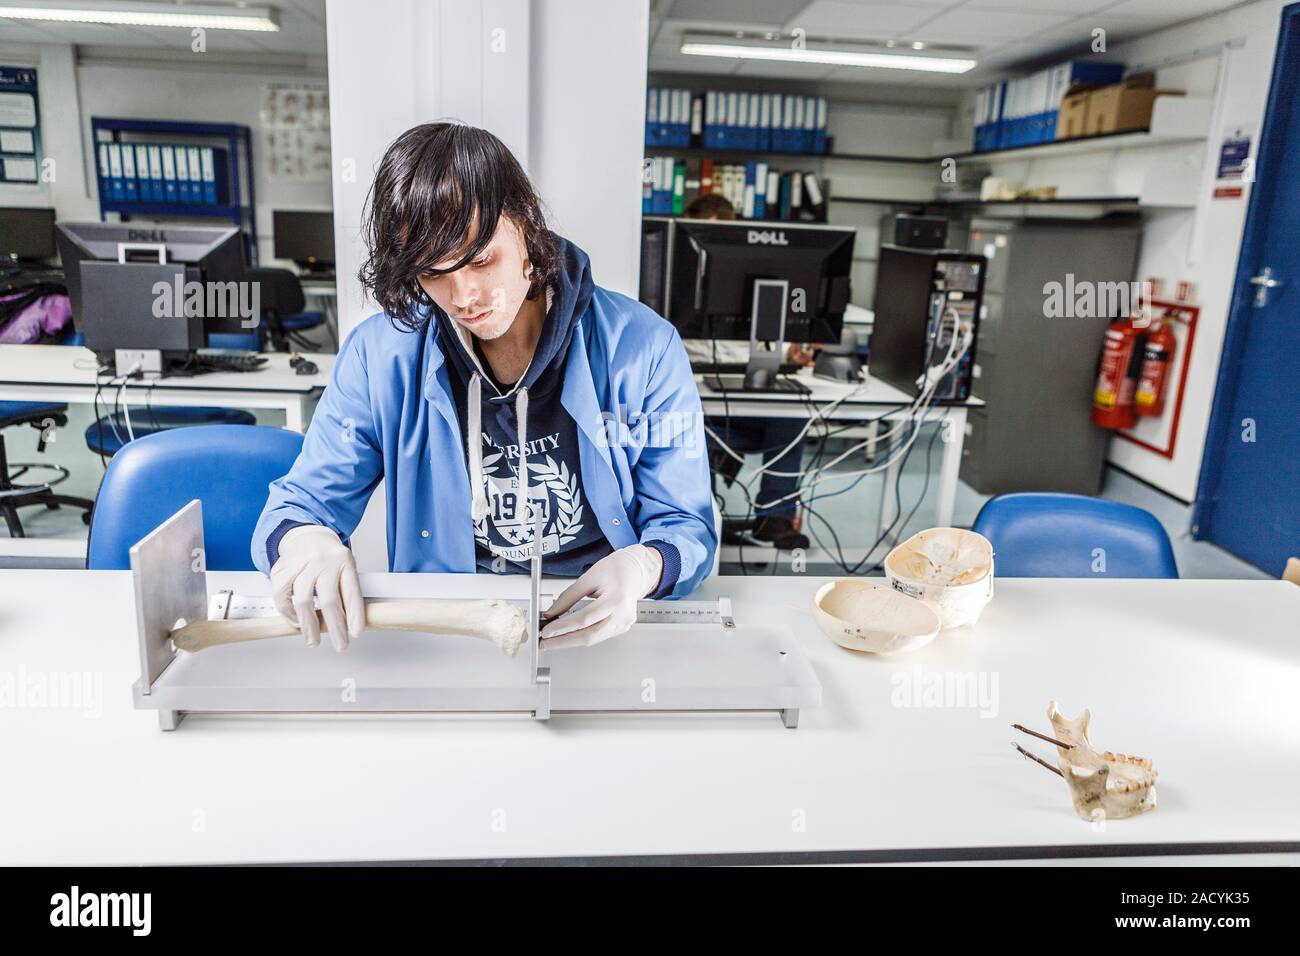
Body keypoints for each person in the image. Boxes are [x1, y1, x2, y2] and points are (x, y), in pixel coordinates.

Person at [251, 123, 716, 652]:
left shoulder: (644, 348)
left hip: (597, 620)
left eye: (481, 259)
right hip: (452, 623)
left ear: (526, 227)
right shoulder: (379, 356)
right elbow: (299, 503)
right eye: (433, 272)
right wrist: (304, 539)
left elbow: (685, 523)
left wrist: (644, 566)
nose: (464, 295)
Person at [681, 193, 811, 551]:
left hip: (746, 402)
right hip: (698, 402)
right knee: (684, 425)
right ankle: (702, 524)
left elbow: (768, 337)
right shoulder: (674, 280)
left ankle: (775, 517)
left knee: (793, 414)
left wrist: (791, 351)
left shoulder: (754, 282)